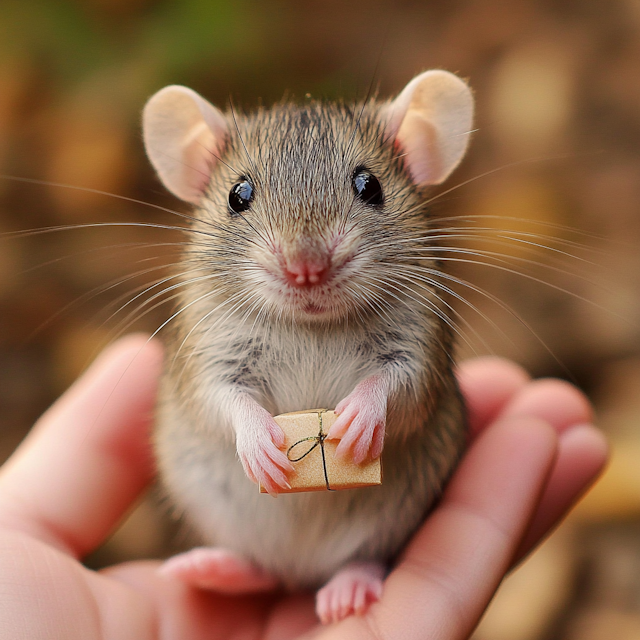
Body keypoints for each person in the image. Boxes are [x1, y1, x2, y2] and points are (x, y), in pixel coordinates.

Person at [0, 334, 607, 639]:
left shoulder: (414, 287)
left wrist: (377, 397)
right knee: (180, 437)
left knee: (442, 446)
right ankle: (257, 562)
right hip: (239, 510)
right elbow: (206, 387)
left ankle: (371, 562)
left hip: (372, 514)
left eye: (364, 189)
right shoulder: (209, 297)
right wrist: (242, 416)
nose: (305, 261)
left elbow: (416, 387)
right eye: (244, 197)